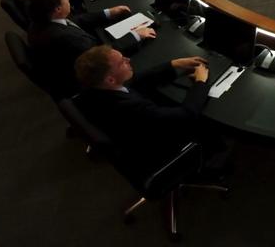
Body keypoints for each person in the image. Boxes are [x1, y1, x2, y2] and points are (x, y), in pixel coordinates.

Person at [74, 45, 229, 179]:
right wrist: (201, 82)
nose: (128, 60)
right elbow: (186, 115)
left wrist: (174, 64)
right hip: (156, 152)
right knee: (208, 123)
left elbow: (134, 82)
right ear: (110, 80)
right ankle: (214, 159)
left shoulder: (90, 90)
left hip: (129, 139)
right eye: (122, 62)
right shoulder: (132, 108)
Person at [27, 0, 154, 99]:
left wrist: (108, 13)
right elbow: (103, 57)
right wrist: (136, 35)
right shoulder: (68, 39)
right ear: (58, 9)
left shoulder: (41, 21)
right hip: (85, 82)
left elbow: (75, 21)